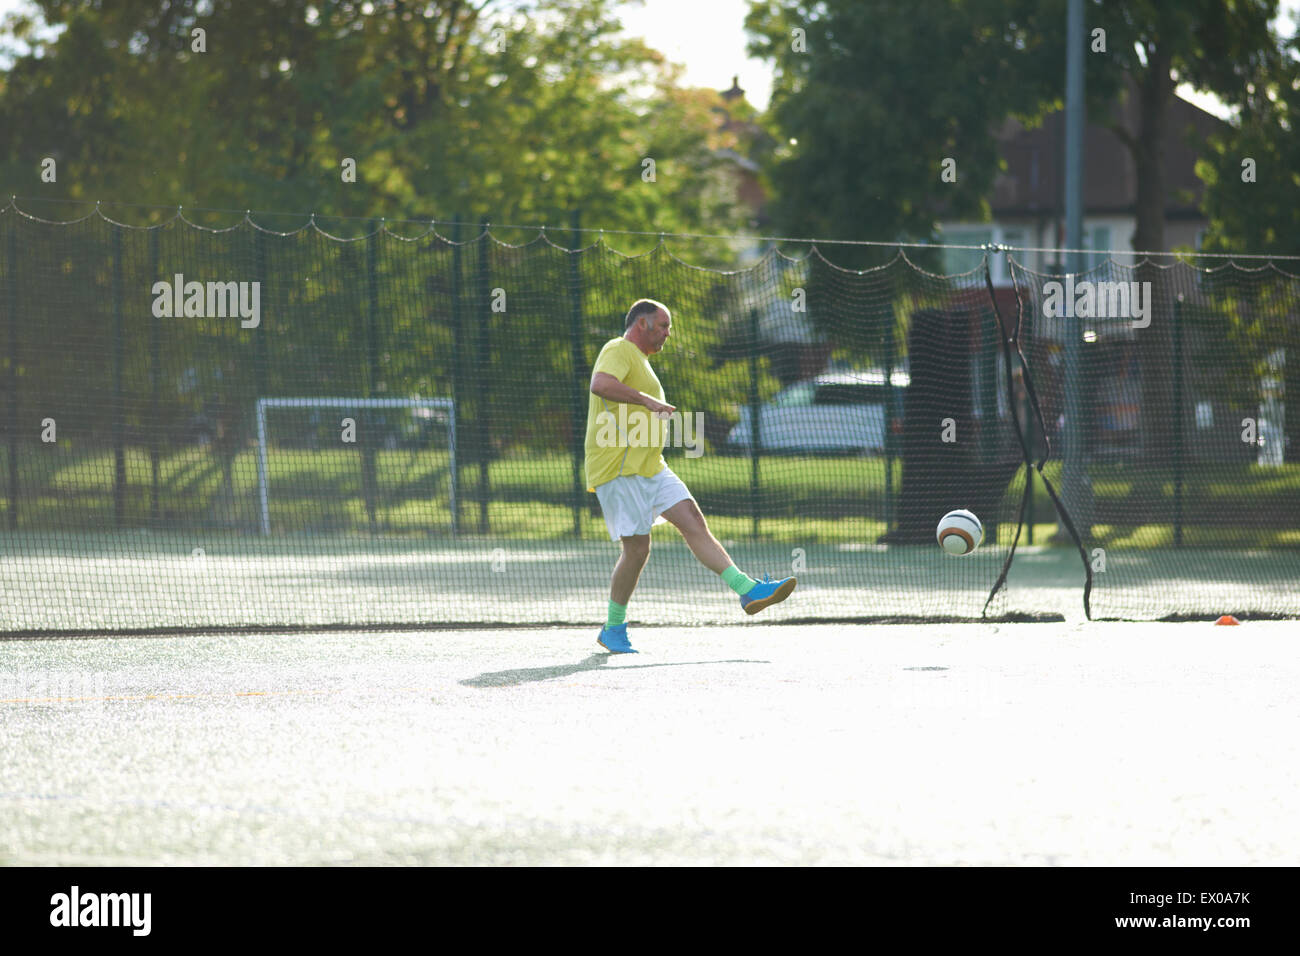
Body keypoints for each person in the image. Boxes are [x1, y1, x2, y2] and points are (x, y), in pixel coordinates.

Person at [585, 298, 796, 654]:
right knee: (637, 550)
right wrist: (647, 402)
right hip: (620, 469)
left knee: (694, 522)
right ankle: (613, 627)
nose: (668, 333)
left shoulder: (641, 361)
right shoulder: (618, 348)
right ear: (642, 324)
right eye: (663, 325)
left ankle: (747, 590)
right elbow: (600, 384)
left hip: (651, 466)